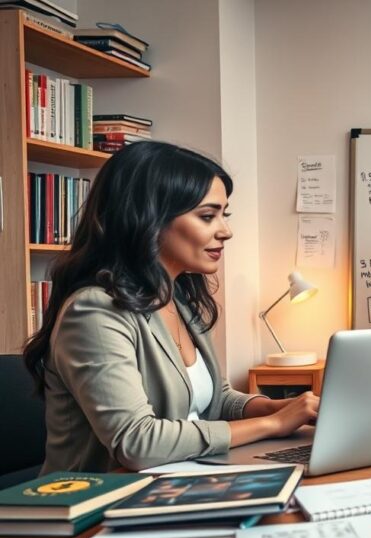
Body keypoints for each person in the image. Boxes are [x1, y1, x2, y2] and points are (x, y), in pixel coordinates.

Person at [24, 141, 320, 473]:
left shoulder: (176, 297)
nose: (226, 231)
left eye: (225, 215)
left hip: (181, 482)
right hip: (101, 506)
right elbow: (137, 442)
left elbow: (215, 400)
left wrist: (279, 408)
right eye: (208, 216)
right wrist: (273, 425)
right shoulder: (94, 312)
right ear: (147, 218)